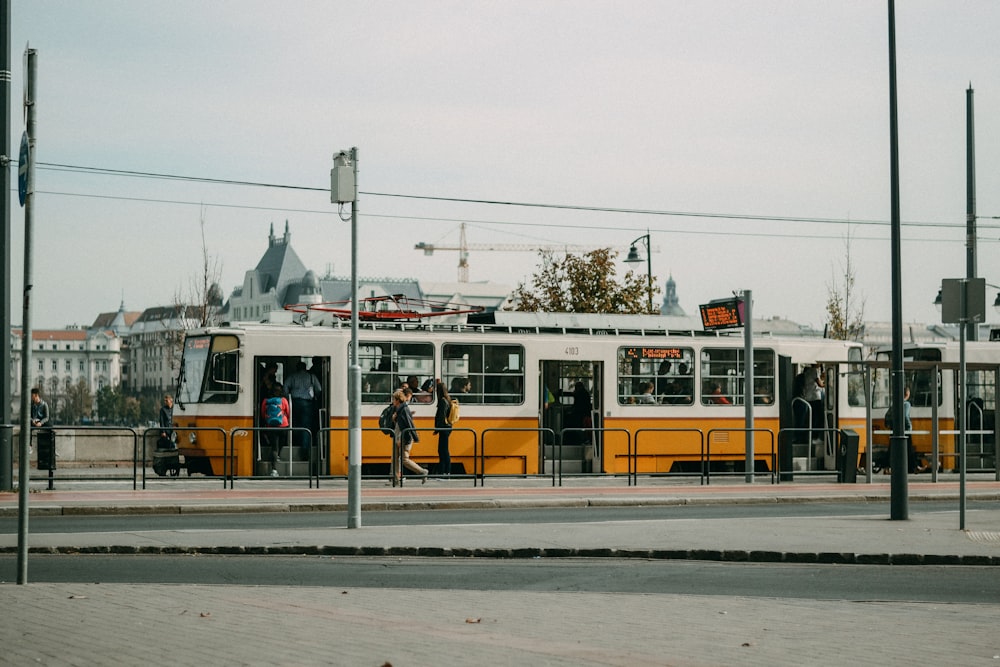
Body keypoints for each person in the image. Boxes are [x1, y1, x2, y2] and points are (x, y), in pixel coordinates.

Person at [392, 388, 428, 484]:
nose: (392, 402)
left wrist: (411, 438)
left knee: (404, 460)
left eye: (393, 400)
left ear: (398, 400)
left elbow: (409, 425)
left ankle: (422, 472)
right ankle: (395, 479)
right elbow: (401, 424)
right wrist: (394, 419)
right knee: (395, 458)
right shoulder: (399, 409)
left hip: (404, 438)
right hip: (398, 437)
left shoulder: (404, 410)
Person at [285, 361, 321, 450]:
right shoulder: (312, 376)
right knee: (306, 425)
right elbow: (319, 389)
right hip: (308, 403)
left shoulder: (292, 376)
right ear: (305, 368)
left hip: (294, 403)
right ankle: (305, 449)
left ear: (297, 368)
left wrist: (287, 398)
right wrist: (315, 397)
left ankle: (294, 445)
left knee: (294, 424)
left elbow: (285, 387)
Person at [260, 384, 290, 477]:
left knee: (274, 447)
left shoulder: (266, 401)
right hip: (283, 424)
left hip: (271, 425)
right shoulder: (283, 400)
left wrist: (267, 421)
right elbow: (288, 412)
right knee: (282, 443)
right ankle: (278, 456)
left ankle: (274, 470)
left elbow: (262, 413)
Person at [433, 379, 454, 476]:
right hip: (447, 427)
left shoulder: (442, 401)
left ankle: (444, 471)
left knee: (443, 450)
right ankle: (445, 471)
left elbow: (441, 416)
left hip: (444, 428)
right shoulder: (447, 400)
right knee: (443, 450)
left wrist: (437, 428)